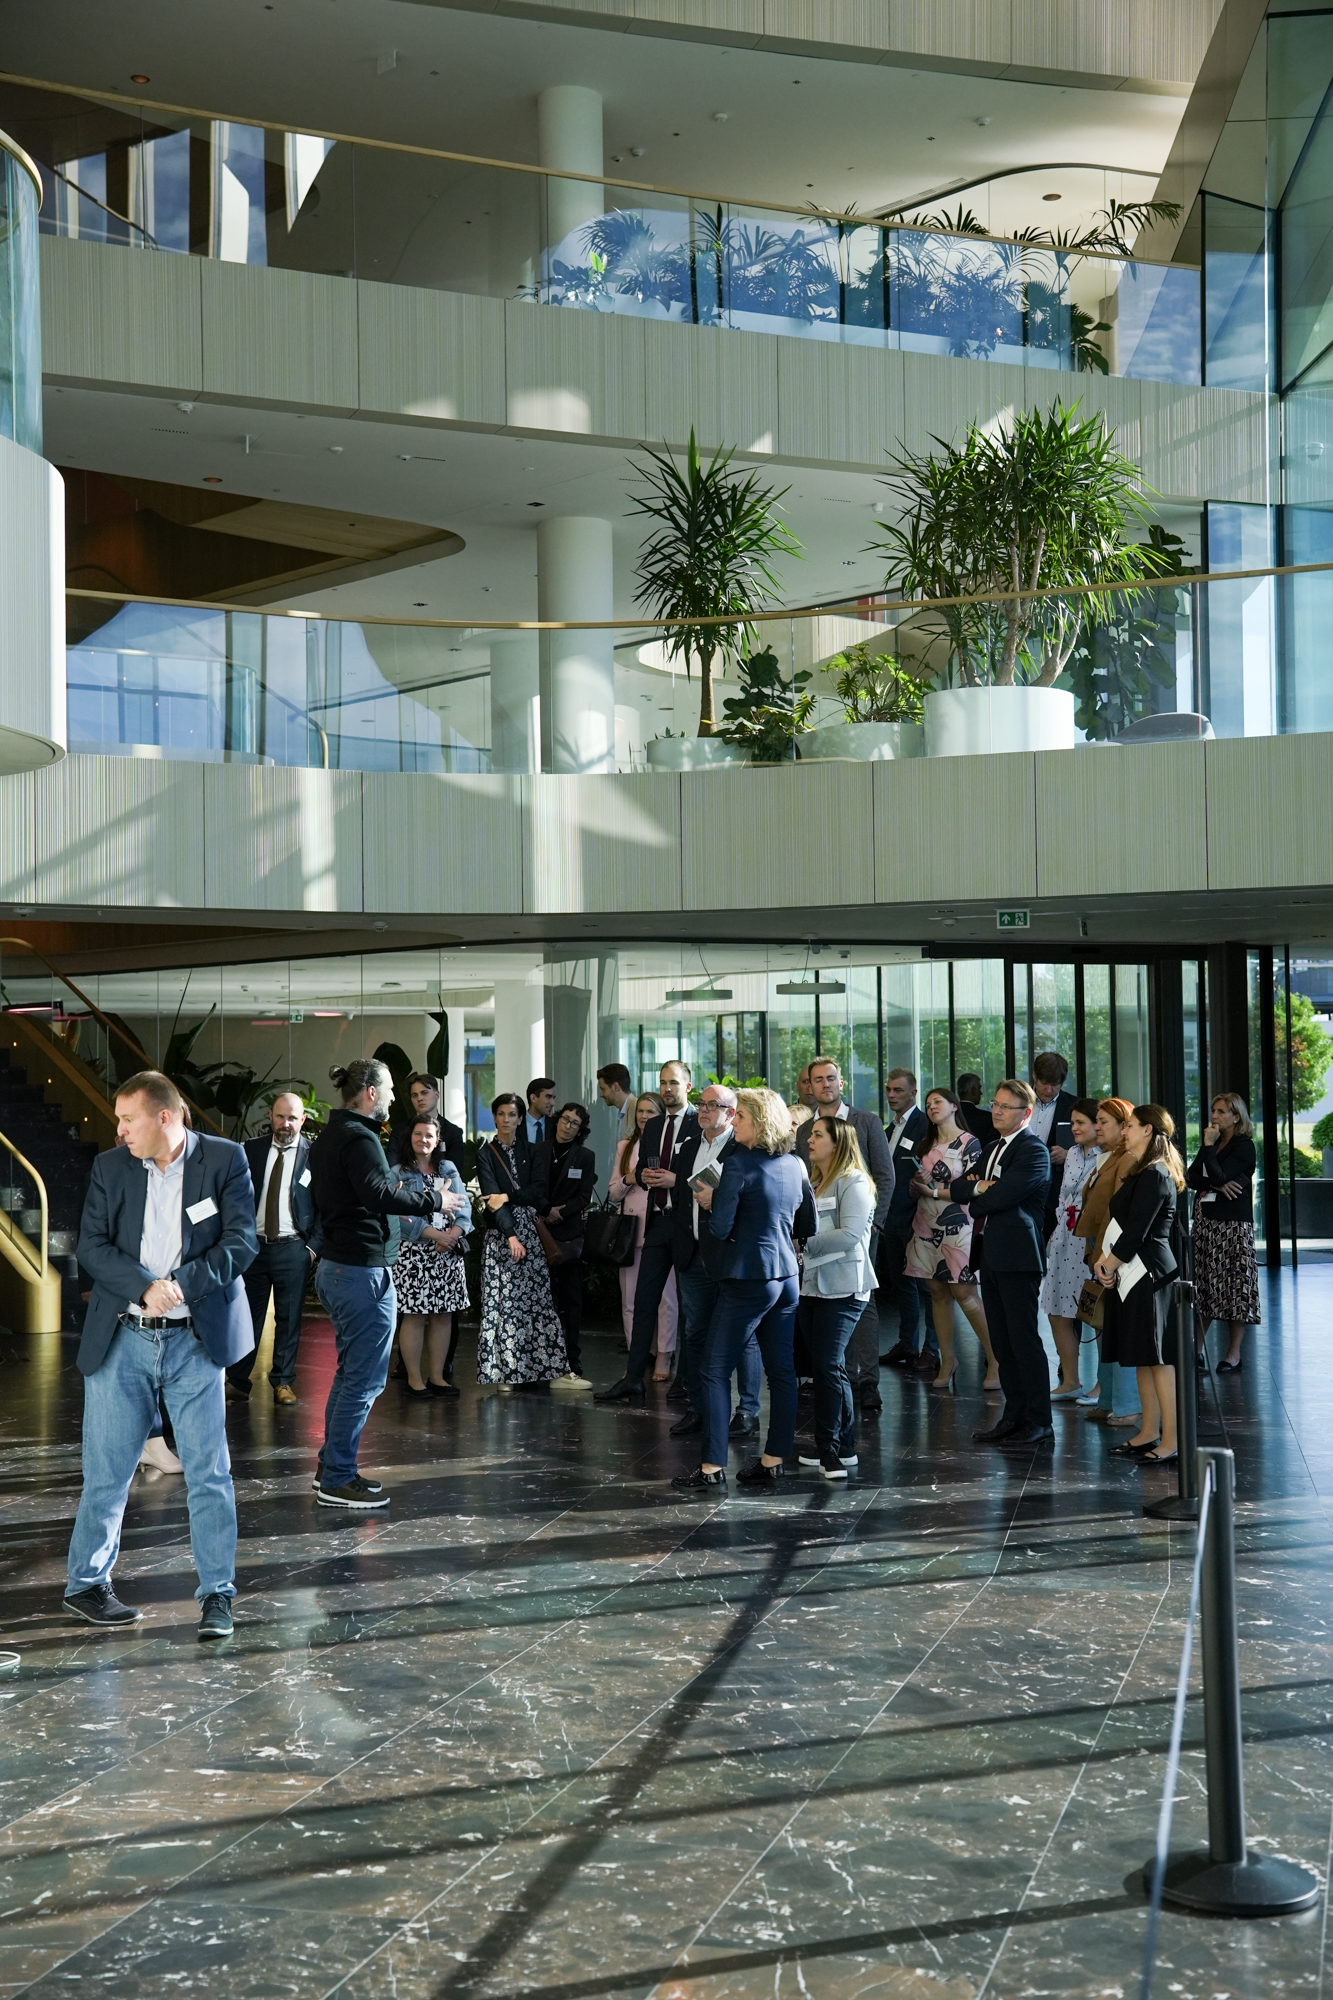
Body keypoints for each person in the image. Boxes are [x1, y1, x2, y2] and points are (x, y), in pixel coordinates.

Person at [66, 1070, 258, 1636]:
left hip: (195, 1341)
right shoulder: (111, 1167)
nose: (121, 1130)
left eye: (129, 1119)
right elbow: (92, 1246)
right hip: (122, 1337)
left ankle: (217, 1595)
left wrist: (181, 1285)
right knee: (106, 1473)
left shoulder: (224, 1160)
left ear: (165, 1117)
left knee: (209, 1473)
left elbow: (241, 1241)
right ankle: (86, 1585)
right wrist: (144, 1286)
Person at [310, 1058, 441, 1509]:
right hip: (359, 1273)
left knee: (352, 1374)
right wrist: (435, 1198)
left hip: (341, 1268)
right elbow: (379, 1194)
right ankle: (337, 1477)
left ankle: (331, 1467)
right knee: (363, 1380)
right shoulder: (359, 1137)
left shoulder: (332, 1135)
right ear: (370, 1092)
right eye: (388, 1089)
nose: (393, 1097)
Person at [674, 1089, 813, 1493]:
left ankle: (711, 1467)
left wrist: (712, 1200)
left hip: (748, 1277)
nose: (734, 1122)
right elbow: (808, 1224)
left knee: (714, 1370)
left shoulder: (737, 1165)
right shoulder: (796, 1164)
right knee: (782, 1373)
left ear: (761, 1122)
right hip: (786, 1278)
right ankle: (772, 1462)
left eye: (742, 1118)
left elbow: (720, 1228)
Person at [954, 1079, 1054, 1450]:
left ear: (1025, 1113)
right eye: (994, 1104)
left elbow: (999, 1198)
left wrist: (981, 1191)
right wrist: (981, 1188)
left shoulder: (1033, 1151)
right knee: (1002, 1341)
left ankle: (1039, 1421)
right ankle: (1014, 1416)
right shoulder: (992, 1147)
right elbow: (961, 1188)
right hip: (991, 1254)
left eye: (1005, 1107)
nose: (995, 1111)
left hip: (1019, 1256)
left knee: (1023, 1340)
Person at [664, 1081, 762, 1444]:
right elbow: (679, 1197)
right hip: (692, 1254)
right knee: (696, 1333)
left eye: (711, 1105)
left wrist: (717, 1198)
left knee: (744, 1335)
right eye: (701, 1104)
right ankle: (700, 1408)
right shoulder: (689, 1145)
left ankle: (747, 1411)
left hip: (730, 1254)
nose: (702, 1110)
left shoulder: (743, 1147)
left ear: (731, 1113)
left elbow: (751, 1198)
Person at [794, 1058, 893, 1414]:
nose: (825, 1084)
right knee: (825, 1305)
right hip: (816, 1233)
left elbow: (885, 1176)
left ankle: (868, 1381)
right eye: (817, 1079)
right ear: (809, 1086)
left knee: (860, 1303)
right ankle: (840, 1377)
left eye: (831, 1078)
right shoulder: (806, 1130)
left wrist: (872, 1226)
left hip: (858, 1228)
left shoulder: (866, 1121)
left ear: (841, 1082)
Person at [595, 1061, 697, 1404]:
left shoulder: (698, 1123)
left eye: (673, 1083)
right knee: (643, 1303)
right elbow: (641, 1168)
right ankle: (633, 1377)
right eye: (662, 1082)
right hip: (655, 1222)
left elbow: (707, 1174)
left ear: (687, 1086)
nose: (667, 1088)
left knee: (687, 1305)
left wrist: (675, 1181)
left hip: (686, 1225)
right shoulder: (652, 1126)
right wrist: (645, 1176)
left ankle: (685, 1379)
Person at [1096, 1105, 1185, 1467]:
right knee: (1143, 1359)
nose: (1124, 1131)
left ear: (1148, 1130)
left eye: (1130, 1126)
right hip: (1132, 1273)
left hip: (1149, 1275)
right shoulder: (1143, 1171)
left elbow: (1137, 1231)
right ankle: (1149, 1431)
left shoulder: (1155, 1174)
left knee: (1158, 1361)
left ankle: (1172, 1440)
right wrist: (1106, 1263)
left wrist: (1108, 1264)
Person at [795, 1116, 875, 1479]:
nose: (809, 1140)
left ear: (837, 1143)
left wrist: (802, 1242)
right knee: (829, 1367)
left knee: (827, 1366)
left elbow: (850, 1234)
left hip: (844, 1287)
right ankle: (844, 1445)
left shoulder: (854, 1181)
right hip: (811, 1285)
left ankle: (827, 1447)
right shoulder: (813, 1182)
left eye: (817, 1135)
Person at [904, 1088, 999, 1392]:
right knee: (936, 1291)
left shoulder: (970, 1143)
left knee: (964, 1291)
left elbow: (971, 1189)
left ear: (954, 1107)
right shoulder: (925, 1144)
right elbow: (915, 1191)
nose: (931, 1106)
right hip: (926, 1221)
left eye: (938, 1102)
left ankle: (995, 1359)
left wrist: (931, 1191)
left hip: (959, 1223)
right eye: (928, 1103)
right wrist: (916, 1184)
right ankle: (948, 1360)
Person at [226, 1091, 315, 1408]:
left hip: (294, 1248)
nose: (285, 1123)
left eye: (292, 1118)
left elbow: (325, 1205)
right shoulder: (250, 1150)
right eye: (280, 1116)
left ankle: (283, 1382)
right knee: (246, 1318)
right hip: (253, 1247)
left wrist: (312, 1249)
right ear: (270, 1117)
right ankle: (237, 1382)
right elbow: (233, 1196)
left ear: (302, 1120)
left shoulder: (314, 1156)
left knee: (289, 1320)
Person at [476, 1092, 569, 1389]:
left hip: (531, 1231)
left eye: (512, 1114)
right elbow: (492, 1200)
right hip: (502, 1235)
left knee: (538, 1302)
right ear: (494, 1117)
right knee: (502, 1304)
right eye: (501, 1114)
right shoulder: (486, 1153)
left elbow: (538, 1190)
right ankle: (504, 1372)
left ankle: (544, 1369)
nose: (506, 1120)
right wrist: (511, 1235)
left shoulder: (533, 1151)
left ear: (520, 1119)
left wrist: (507, 1196)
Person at [387, 1114, 471, 1396]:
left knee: (443, 1316)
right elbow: (396, 1216)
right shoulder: (398, 1172)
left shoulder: (448, 1168)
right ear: (410, 1138)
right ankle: (414, 1380)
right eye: (418, 1134)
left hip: (447, 1253)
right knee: (414, 1316)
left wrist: (453, 1235)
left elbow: (465, 1207)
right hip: (414, 1254)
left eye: (429, 1135)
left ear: (437, 1141)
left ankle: (437, 1378)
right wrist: (436, 1235)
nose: (423, 1139)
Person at [1075, 1099, 1139, 1428]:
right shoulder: (1110, 1157)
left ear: (1124, 1126)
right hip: (1101, 1251)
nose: (1096, 1127)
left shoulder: (1127, 1159)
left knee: (1120, 1331)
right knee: (1107, 1329)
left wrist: (1105, 1258)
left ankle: (1127, 1405)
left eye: (1103, 1122)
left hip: (1115, 1255)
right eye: (1096, 1121)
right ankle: (1110, 1400)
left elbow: (1118, 1213)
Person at [1187, 1093, 1260, 1373]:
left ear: (1236, 1117)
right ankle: (1195, 1351)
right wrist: (1216, 1183)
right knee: (1204, 1286)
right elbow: (1192, 1177)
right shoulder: (1213, 1142)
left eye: (1220, 1111)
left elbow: (1217, 1175)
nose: (1214, 1116)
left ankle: (1233, 1354)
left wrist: (1210, 1157)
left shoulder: (1244, 1147)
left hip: (1232, 1227)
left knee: (1235, 1288)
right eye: (1213, 1110)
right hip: (1206, 1223)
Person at [608, 1092, 678, 1374]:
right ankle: (636, 1358)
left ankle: (664, 1355)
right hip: (630, 1231)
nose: (644, 1116)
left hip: (659, 1228)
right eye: (640, 1111)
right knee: (630, 1301)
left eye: (651, 1111)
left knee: (665, 1299)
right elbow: (613, 1192)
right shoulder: (625, 1146)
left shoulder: (670, 1144)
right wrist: (632, 1177)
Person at [1040, 1098, 1104, 1405]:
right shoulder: (1074, 1154)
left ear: (1097, 1124)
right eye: (1073, 1122)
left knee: (1095, 1312)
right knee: (1056, 1310)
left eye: (1080, 1123)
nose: (1074, 1129)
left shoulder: (1109, 1155)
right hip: (1065, 1237)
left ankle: (1103, 1384)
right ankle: (1071, 1381)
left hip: (1090, 1240)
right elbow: (1063, 1197)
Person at [879, 1068, 933, 1372]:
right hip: (892, 1218)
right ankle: (908, 1343)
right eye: (889, 1089)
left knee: (927, 1289)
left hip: (916, 1216)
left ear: (913, 1093)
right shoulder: (889, 1129)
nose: (891, 1095)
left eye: (898, 1090)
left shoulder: (924, 1125)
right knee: (901, 1285)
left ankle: (931, 1349)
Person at [541, 1100, 597, 1388]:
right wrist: (544, 1209)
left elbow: (584, 1196)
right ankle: (542, 1361)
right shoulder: (539, 1150)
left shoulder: (585, 1157)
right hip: (538, 1231)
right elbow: (531, 1187)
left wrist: (559, 1212)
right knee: (542, 1300)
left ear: (580, 1129)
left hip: (569, 1235)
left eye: (575, 1123)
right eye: (565, 1119)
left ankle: (572, 1360)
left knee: (571, 1301)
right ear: (557, 1120)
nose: (568, 1126)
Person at [1030, 1051, 1076, 1232]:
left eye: (1055, 1085)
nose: (1048, 1090)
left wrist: (1069, 1154)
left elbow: (1093, 1147)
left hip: (1054, 1195)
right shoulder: (1018, 1102)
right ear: (1034, 1075)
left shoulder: (1074, 1107)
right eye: (1044, 1083)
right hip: (1018, 1188)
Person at [395, 1074, 465, 1176]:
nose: (419, 1098)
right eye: (414, 1095)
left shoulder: (453, 1132)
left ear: (437, 1095)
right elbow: (393, 1167)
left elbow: (454, 1172)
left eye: (424, 1093)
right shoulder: (399, 1131)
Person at [596, 1063, 636, 1146]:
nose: (601, 1095)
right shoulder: (622, 1112)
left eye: (603, 1089)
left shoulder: (638, 1109)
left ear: (615, 1087)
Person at [955, 1074, 997, 1148]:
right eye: (979, 1088)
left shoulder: (950, 1116)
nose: (981, 1093)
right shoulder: (987, 1118)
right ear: (973, 1091)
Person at [525, 1078, 556, 1147]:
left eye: (553, 1098)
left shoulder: (555, 1126)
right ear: (533, 1098)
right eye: (548, 1097)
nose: (553, 1103)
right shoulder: (516, 1124)